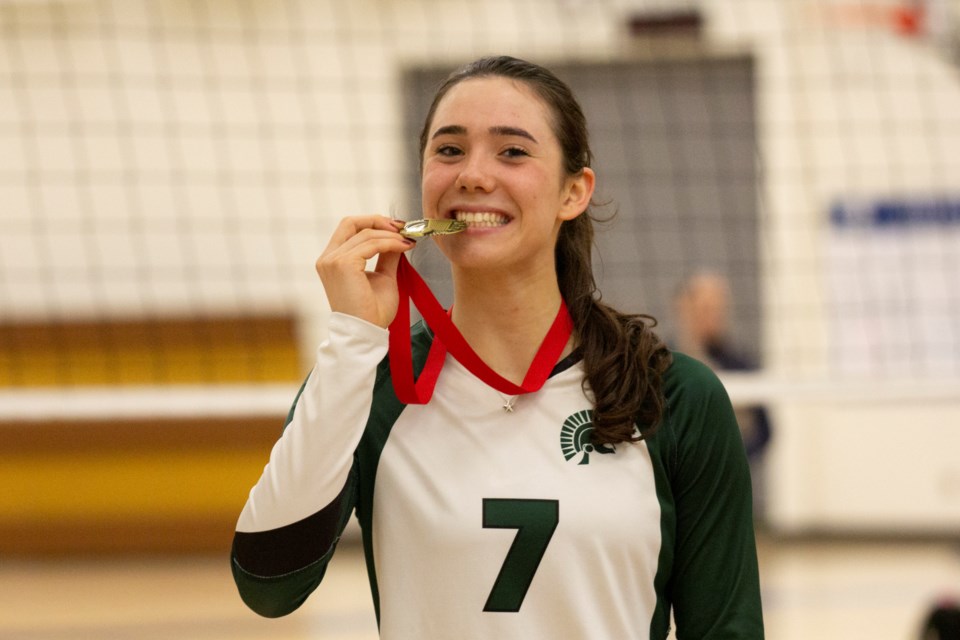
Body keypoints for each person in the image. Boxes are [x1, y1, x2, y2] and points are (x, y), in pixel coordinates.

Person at [231, 55, 764, 638]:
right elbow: (269, 588)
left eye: (512, 151)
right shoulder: (372, 384)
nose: (473, 175)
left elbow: (726, 629)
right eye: (449, 150)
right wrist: (353, 339)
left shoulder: (673, 396)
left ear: (574, 192)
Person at [672, 271, 772, 459]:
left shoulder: (740, 365)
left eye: (720, 308)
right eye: (706, 308)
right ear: (684, 308)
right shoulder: (665, 361)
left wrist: (732, 458)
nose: (715, 317)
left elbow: (764, 432)